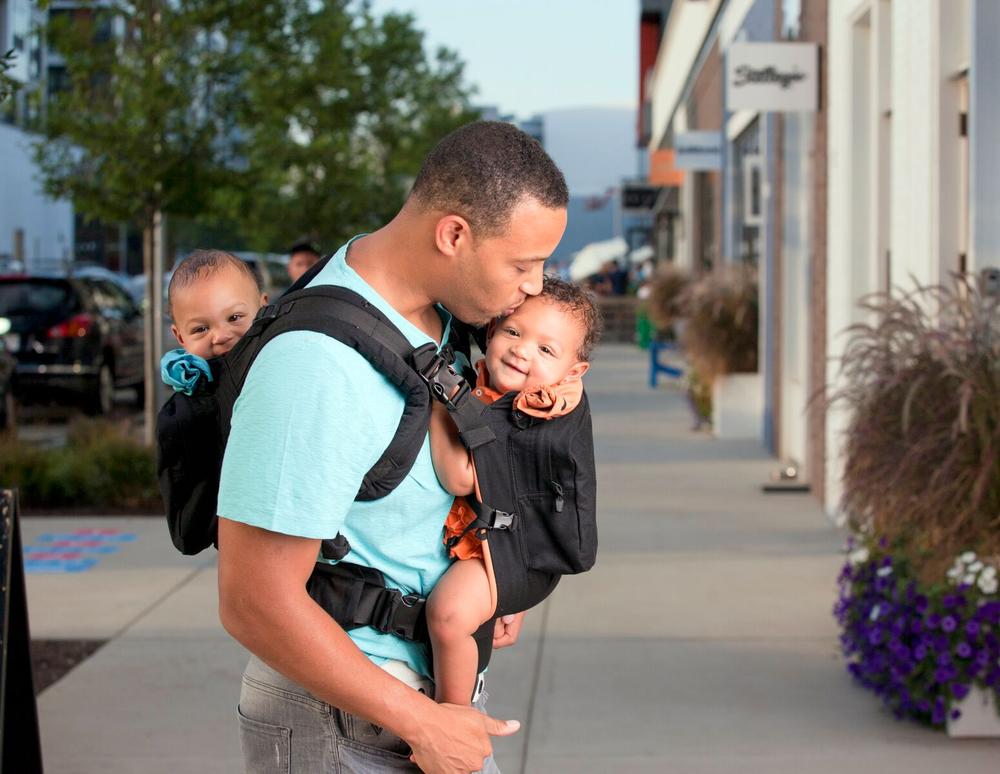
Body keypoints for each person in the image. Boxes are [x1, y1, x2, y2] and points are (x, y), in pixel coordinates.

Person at [216, 121, 569, 774]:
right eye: (523, 264)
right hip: (347, 721)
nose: (535, 286)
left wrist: (494, 585)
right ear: (454, 234)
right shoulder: (314, 364)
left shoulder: (439, 319)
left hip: (418, 705)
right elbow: (253, 599)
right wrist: (422, 724)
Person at [426, 277, 600, 705]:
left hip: (513, 554)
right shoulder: (490, 382)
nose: (523, 350)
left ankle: (454, 714)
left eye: (546, 349)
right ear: (491, 332)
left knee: (449, 616)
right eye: (514, 332)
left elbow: (462, 478)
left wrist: (436, 403)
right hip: (501, 539)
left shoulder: (531, 406)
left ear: (573, 372)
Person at [161, 250, 266, 392]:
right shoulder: (188, 397)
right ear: (180, 337)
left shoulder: (283, 361)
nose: (220, 337)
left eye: (234, 318)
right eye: (201, 329)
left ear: (263, 308)